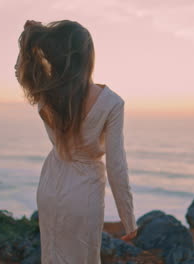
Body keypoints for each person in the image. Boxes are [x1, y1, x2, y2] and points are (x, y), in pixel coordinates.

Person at [15, 19, 138, 263]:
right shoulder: (112, 103)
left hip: (50, 186)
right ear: (88, 56)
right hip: (85, 191)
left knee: (52, 256)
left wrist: (30, 39)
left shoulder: (45, 94)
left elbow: (21, 70)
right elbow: (116, 166)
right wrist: (129, 219)